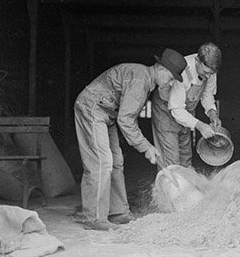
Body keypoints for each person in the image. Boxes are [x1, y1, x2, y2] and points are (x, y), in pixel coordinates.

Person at [73, 48, 187, 231]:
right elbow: (126, 120)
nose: (171, 83)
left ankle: (119, 212)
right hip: (92, 108)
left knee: (117, 161)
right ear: (162, 70)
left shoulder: (145, 80)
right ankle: (93, 217)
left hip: (107, 113)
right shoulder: (140, 79)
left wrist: (145, 145)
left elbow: (125, 117)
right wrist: (146, 147)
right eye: (171, 78)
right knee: (103, 162)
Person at [150, 42, 223, 168]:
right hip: (166, 111)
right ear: (197, 60)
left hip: (186, 112)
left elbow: (207, 94)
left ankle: (185, 187)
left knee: (186, 157)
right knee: (171, 160)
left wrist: (212, 113)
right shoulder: (182, 69)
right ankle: (168, 187)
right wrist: (200, 125)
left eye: (211, 73)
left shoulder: (211, 71)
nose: (208, 76)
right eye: (206, 72)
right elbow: (176, 108)